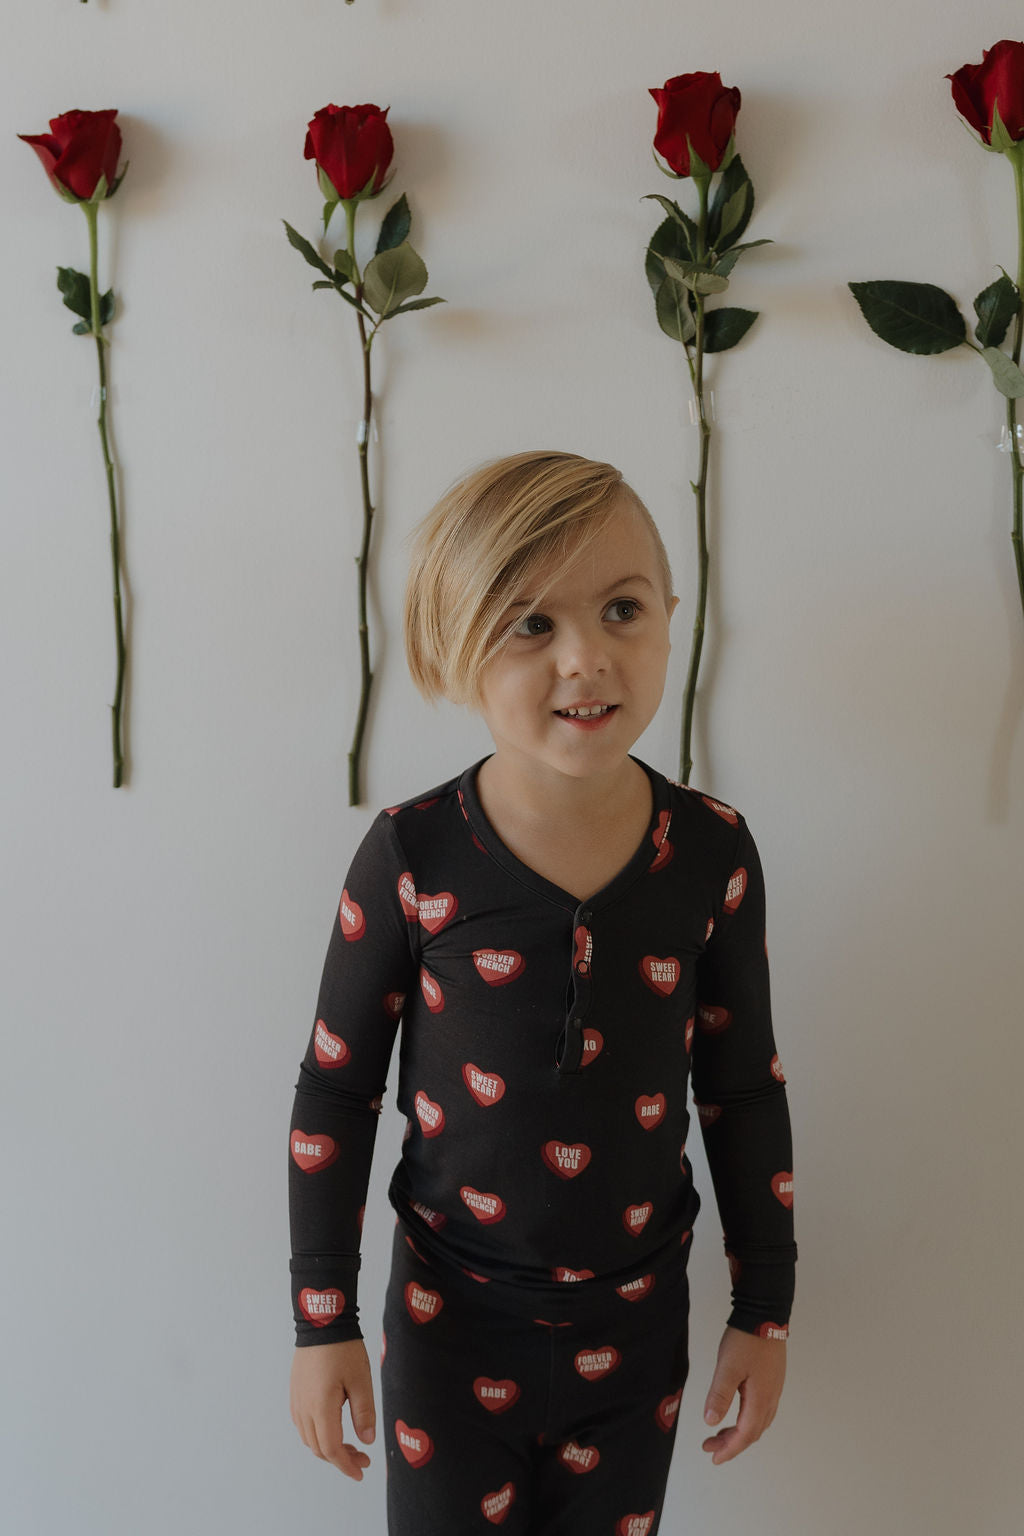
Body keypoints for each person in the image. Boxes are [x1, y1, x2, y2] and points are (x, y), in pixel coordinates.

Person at [288, 451, 797, 1535]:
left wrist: (766, 1311)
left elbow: (743, 1092)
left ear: (669, 614)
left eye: (621, 610)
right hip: (445, 1328)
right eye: (530, 625)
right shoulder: (411, 854)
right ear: (451, 640)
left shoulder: (713, 852)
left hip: (641, 1325)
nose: (587, 659)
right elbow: (336, 1095)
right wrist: (320, 1318)